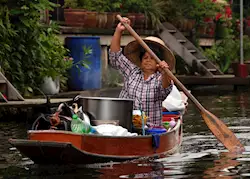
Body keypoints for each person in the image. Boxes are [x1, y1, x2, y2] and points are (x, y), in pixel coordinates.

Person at [109, 17, 176, 127]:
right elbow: (115, 56)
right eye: (145, 57)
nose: (148, 60)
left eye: (152, 58)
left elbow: (165, 88)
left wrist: (165, 73)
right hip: (124, 126)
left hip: (151, 129)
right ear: (140, 61)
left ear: (158, 62)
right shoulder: (132, 71)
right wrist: (118, 31)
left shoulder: (160, 78)